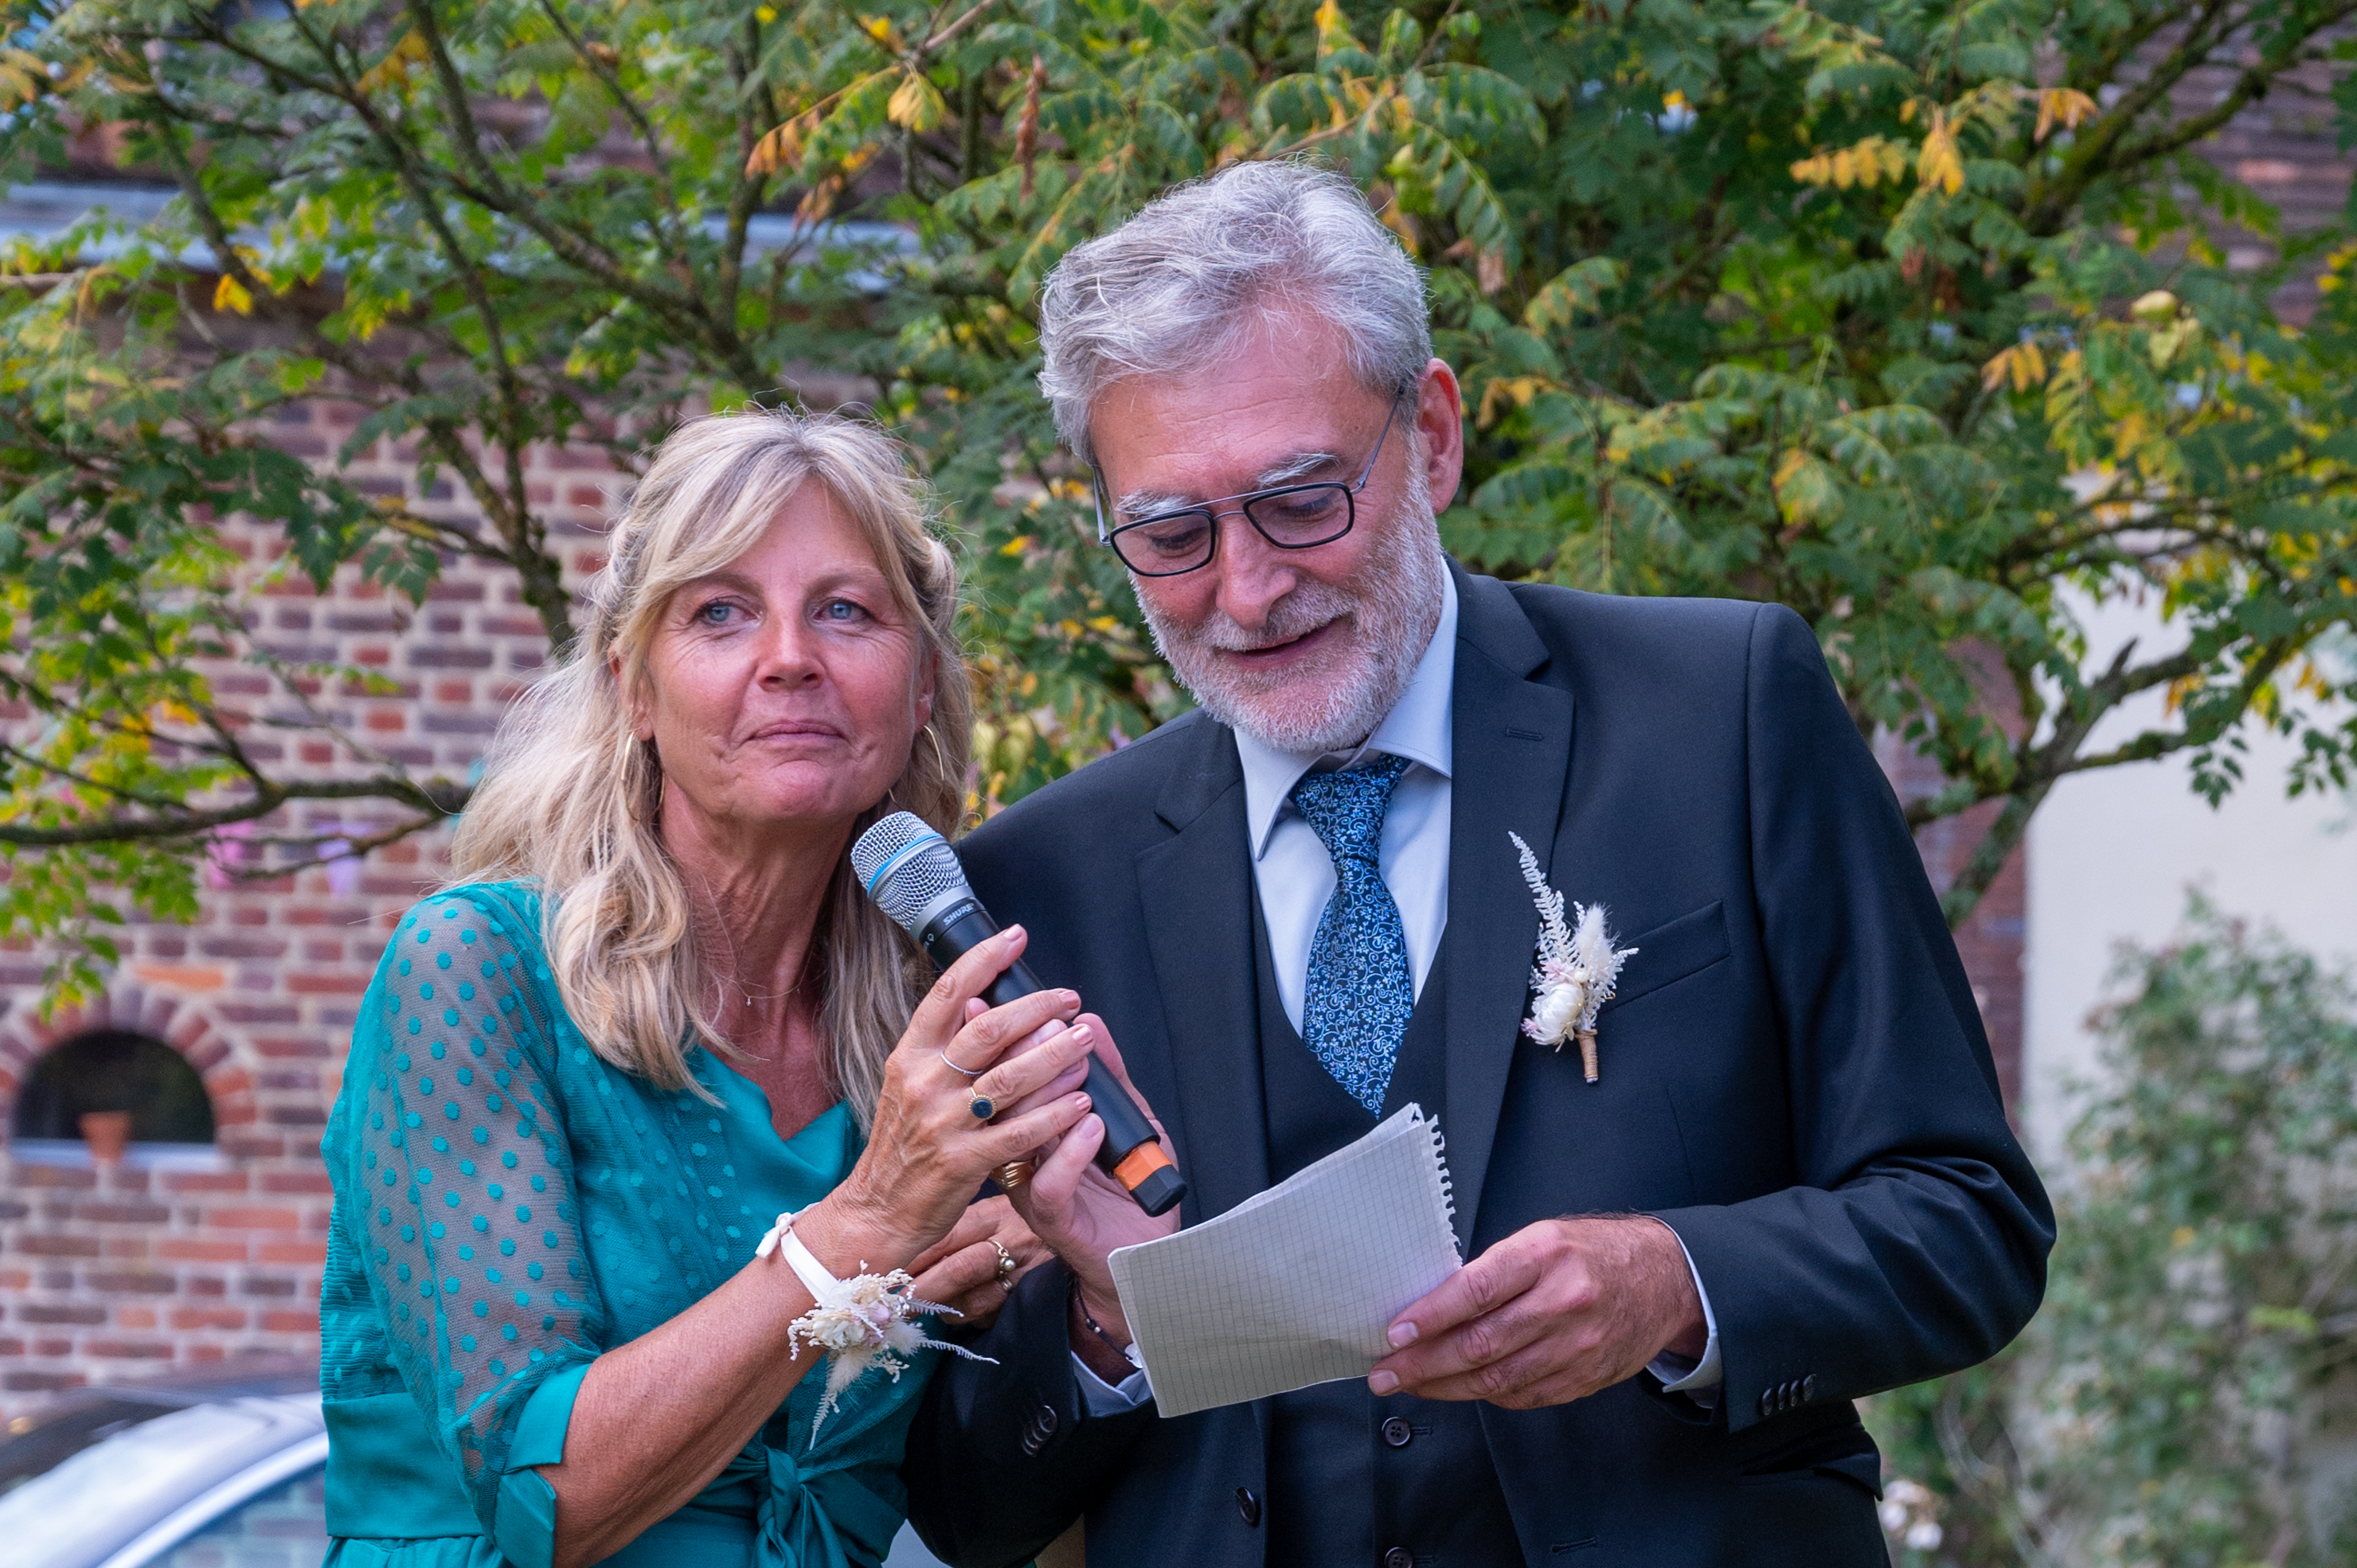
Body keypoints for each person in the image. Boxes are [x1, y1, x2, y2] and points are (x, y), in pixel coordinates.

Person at [898, 162, 2055, 1565]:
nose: (1248, 589)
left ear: (1434, 436)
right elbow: (965, 1504)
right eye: (1172, 533)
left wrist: (1675, 1284)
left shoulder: (1727, 713)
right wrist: (1103, 1322)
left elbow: (1970, 1219)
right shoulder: (1033, 888)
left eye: (1301, 499)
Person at [319, 410, 1105, 1568]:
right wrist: (868, 1227)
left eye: (846, 610)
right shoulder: (476, 971)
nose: (789, 656)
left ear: (922, 690)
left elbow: (980, 1512)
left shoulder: (934, 1043)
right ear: (633, 689)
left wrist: (1068, 1290)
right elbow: (546, 1501)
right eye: (721, 613)